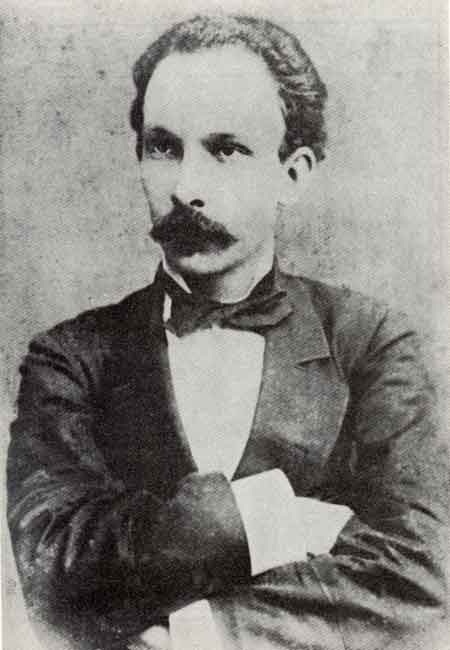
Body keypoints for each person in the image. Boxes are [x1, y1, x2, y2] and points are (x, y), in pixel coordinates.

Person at [7, 13, 448, 650]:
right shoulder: (71, 358)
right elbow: (54, 573)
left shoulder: (371, 344)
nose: (187, 187)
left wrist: (197, 631)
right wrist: (271, 521)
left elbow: (422, 578)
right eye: (163, 148)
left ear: (293, 173)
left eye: (226, 149)